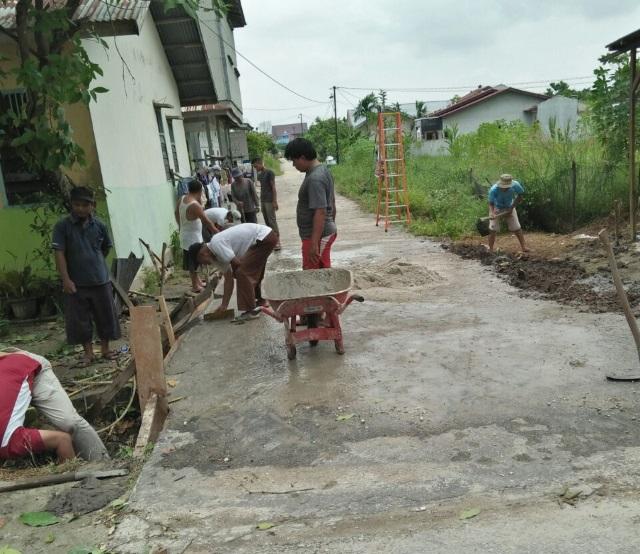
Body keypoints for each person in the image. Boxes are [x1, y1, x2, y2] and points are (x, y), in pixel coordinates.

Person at [52, 187, 121, 366]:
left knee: (105, 316)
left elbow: (105, 248)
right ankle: (88, 353)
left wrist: (94, 263)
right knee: (80, 320)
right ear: (71, 205)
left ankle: (105, 349)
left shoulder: (99, 226)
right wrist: (66, 279)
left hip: (100, 279)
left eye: (85, 205)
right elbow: (59, 253)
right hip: (76, 283)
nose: (81, 208)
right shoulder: (62, 227)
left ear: (93, 206)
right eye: (77, 205)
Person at [0, 349, 108, 461]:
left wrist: (68, 472)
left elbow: (62, 440)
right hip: (10, 369)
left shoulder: (9, 441)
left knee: (69, 422)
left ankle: (102, 463)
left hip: (31, 366)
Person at [187, 223, 277, 322]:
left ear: (202, 254)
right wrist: (224, 306)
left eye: (201, 262)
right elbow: (228, 280)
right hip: (263, 239)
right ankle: (260, 301)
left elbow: (238, 264)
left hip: (264, 237)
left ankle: (251, 311)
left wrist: (241, 274)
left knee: (242, 272)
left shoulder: (216, 243)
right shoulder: (216, 258)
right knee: (246, 271)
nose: (205, 265)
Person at [284, 138, 337, 269]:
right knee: (319, 273)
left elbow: (320, 211)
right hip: (319, 233)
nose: (293, 165)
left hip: (316, 235)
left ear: (302, 157)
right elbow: (332, 202)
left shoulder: (315, 179)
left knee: (312, 276)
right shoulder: (321, 171)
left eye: (294, 161)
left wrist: (314, 244)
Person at [175, 178, 218, 292]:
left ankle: (198, 281)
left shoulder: (182, 199)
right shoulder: (195, 205)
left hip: (185, 235)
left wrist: (180, 225)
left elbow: (176, 212)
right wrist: (216, 232)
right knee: (194, 263)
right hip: (193, 238)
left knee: (193, 261)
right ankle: (195, 286)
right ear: (200, 190)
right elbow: (206, 221)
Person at [488, 173, 529, 253]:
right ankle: (490, 249)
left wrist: (512, 207)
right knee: (492, 229)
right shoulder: (493, 190)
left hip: (509, 206)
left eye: (507, 187)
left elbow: (520, 196)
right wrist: (492, 213)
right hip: (497, 208)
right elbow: (491, 203)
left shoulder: (515, 185)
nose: (505, 188)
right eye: (504, 187)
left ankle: (524, 247)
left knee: (517, 228)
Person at [252, 157, 281, 251]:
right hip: (263, 200)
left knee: (272, 221)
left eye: (256, 166)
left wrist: (275, 201)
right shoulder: (260, 175)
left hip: (269, 200)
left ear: (260, 163)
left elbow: (273, 187)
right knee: (267, 222)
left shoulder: (270, 172)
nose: (255, 168)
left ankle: (278, 242)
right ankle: (272, 241)